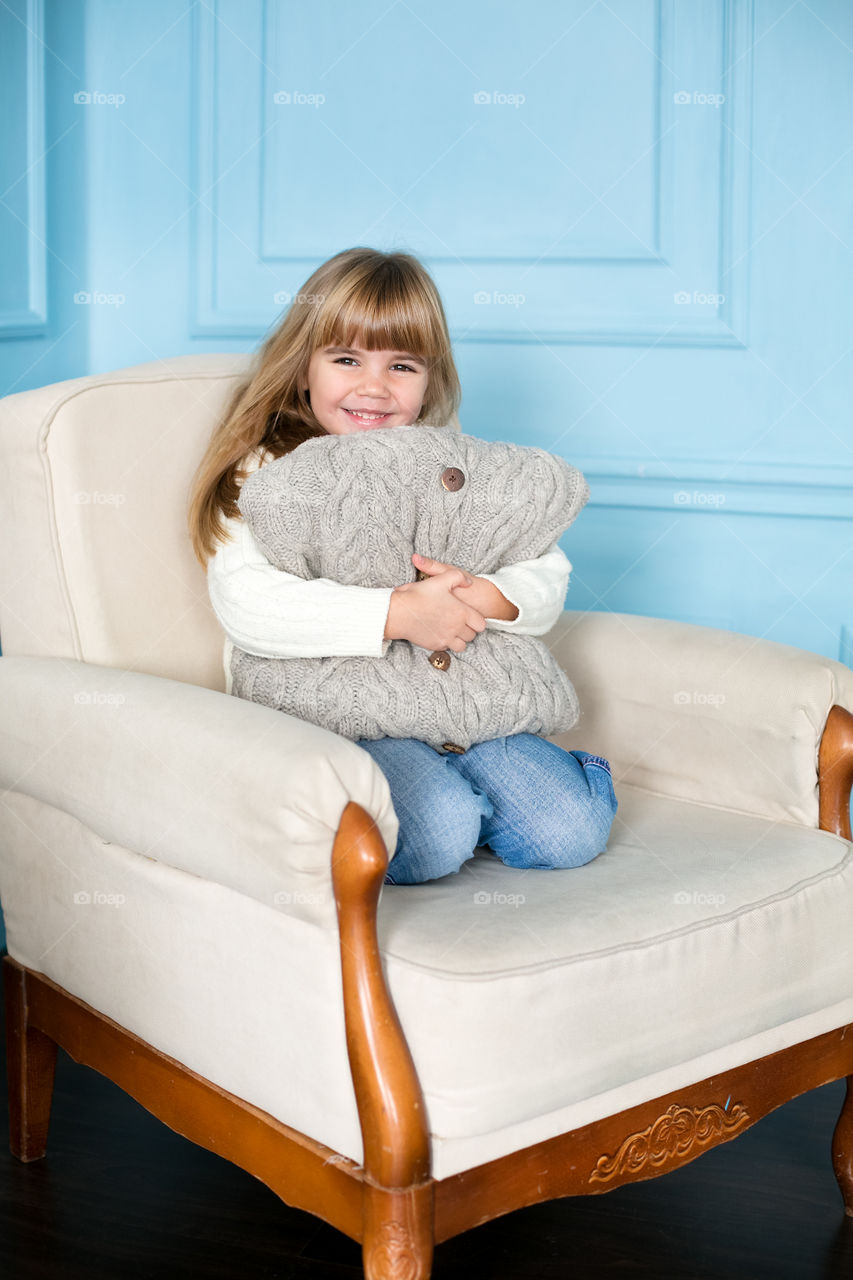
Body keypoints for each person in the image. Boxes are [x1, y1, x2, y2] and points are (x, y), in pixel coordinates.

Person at [188, 246, 618, 886]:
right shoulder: (270, 470)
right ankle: (456, 802)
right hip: (350, 716)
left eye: (401, 365)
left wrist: (485, 595)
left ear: (429, 378)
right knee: (433, 838)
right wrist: (399, 612)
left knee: (571, 829)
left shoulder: (451, 462)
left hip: (467, 707)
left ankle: (499, 783)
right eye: (346, 359)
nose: (373, 386)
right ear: (304, 368)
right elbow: (250, 604)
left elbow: (544, 568)